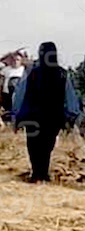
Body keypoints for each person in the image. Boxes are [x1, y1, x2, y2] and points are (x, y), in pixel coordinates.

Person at [11, 42, 80, 183]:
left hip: (32, 117)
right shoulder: (62, 74)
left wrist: (16, 115)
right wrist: (72, 115)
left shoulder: (31, 72)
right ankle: (43, 173)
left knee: (33, 145)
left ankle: (37, 172)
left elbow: (20, 94)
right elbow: (70, 97)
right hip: (53, 118)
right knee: (47, 146)